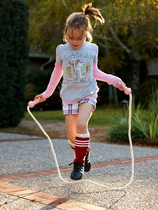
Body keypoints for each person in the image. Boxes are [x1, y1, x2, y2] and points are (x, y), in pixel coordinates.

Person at [34, 3, 126, 180]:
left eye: (79, 38)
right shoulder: (62, 50)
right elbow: (56, 74)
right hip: (69, 97)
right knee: (72, 137)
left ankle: (78, 164)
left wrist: (114, 80)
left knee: (81, 125)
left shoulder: (92, 49)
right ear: (66, 34)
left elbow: (95, 72)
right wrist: (46, 94)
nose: (75, 42)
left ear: (86, 34)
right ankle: (85, 151)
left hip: (87, 93)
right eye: (70, 38)